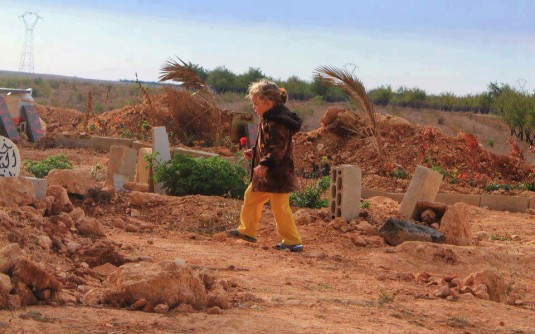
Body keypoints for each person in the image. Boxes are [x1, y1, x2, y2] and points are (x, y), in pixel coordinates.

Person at [226, 79, 304, 252]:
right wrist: (255, 152)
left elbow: (279, 148)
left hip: (278, 174)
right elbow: (268, 144)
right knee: (251, 197)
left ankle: (292, 241)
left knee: (280, 208)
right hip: (268, 174)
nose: (254, 108)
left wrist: (264, 164)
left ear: (268, 103)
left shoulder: (278, 122)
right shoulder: (270, 118)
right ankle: (248, 230)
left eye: (256, 104)